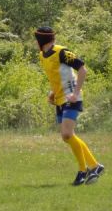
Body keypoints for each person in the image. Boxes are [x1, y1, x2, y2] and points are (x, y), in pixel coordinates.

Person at [35, 27, 105, 186]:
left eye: (36, 39)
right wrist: (52, 92)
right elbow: (56, 76)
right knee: (68, 136)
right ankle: (93, 167)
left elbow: (82, 69)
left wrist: (75, 93)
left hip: (72, 98)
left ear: (41, 40)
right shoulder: (42, 56)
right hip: (59, 99)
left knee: (67, 134)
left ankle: (86, 169)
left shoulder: (61, 52)